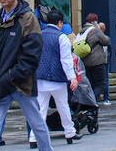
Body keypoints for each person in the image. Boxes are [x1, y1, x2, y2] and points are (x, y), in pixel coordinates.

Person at [0, 0, 53, 151]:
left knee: (37, 124)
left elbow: (32, 55)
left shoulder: (27, 18)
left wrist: (13, 75)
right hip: (1, 83)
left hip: (21, 84)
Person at [28, 8, 80, 148]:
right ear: (60, 23)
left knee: (40, 109)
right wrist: (72, 78)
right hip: (57, 79)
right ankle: (69, 133)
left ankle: (33, 138)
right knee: (63, 106)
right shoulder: (61, 37)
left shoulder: (39, 35)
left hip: (40, 78)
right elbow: (66, 60)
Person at [79, 13, 110, 106]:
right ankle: (91, 102)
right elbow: (106, 41)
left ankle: (90, 102)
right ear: (93, 21)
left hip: (86, 62)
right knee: (101, 84)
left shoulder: (82, 30)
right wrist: (98, 28)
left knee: (91, 84)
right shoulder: (94, 30)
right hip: (97, 62)